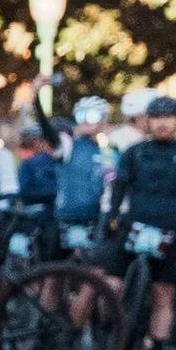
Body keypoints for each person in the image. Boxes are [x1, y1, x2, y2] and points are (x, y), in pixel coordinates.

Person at [109, 95, 176, 350]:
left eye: (169, 117)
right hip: (132, 226)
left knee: (163, 296)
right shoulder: (134, 152)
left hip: (169, 230)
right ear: (147, 120)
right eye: (157, 117)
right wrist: (112, 216)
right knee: (111, 285)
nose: (163, 122)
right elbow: (119, 185)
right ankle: (111, 339)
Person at [54, 97, 113, 243]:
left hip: (99, 214)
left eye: (92, 115)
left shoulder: (111, 148)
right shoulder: (68, 145)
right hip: (69, 214)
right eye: (81, 115)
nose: (86, 120)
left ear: (104, 119)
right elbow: (50, 136)